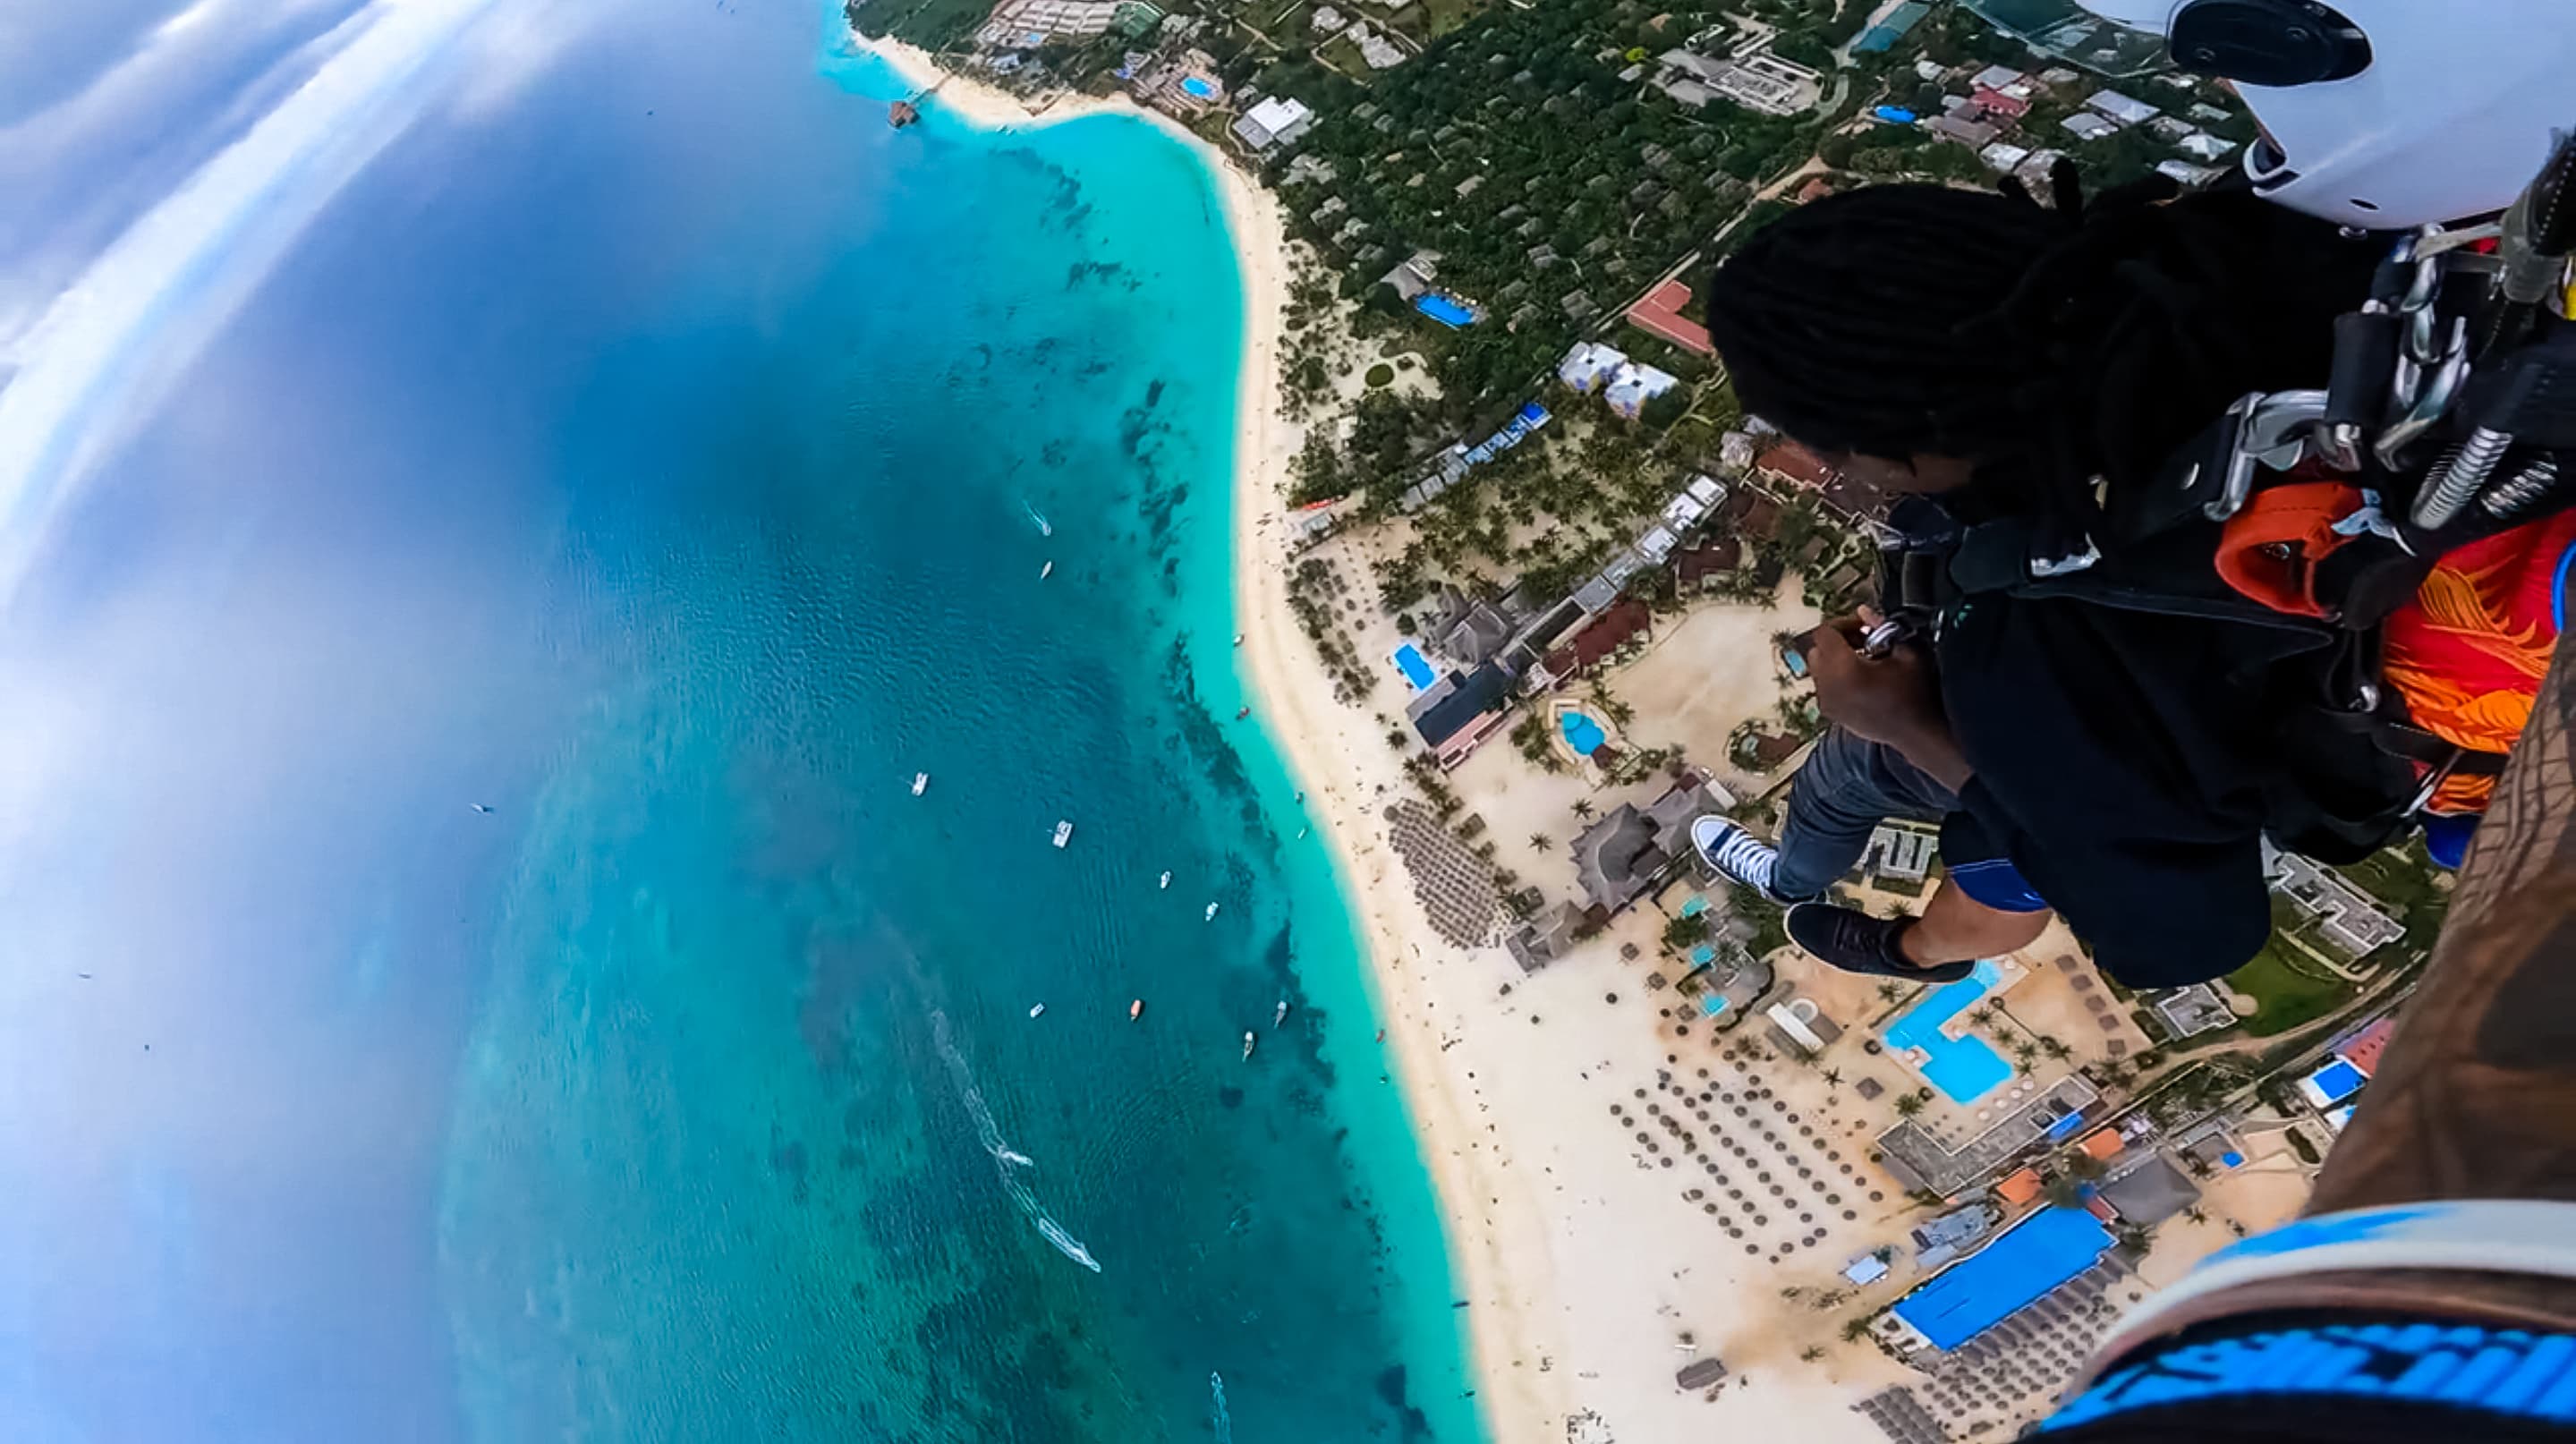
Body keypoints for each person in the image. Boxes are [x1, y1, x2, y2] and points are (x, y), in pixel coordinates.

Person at [1688, 174, 2401, 989]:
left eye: (1832, 450)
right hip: (2318, 577)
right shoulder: (2248, 253)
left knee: (1853, 768)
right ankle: (1833, 900)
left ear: (1895, 455)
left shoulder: (2027, 653)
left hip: (2174, 737)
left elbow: (2187, 941)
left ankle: (1798, 884)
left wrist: (1906, 723)